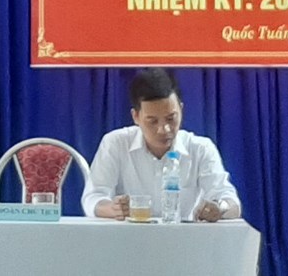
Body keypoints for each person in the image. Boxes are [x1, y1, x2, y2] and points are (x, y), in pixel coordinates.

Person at [82, 68, 241, 222]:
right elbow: (93, 197)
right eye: (152, 121)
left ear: (181, 110)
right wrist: (112, 209)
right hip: (128, 236)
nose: (164, 129)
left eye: (171, 118)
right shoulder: (115, 143)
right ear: (136, 117)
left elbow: (230, 201)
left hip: (184, 237)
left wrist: (220, 208)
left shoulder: (201, 148)